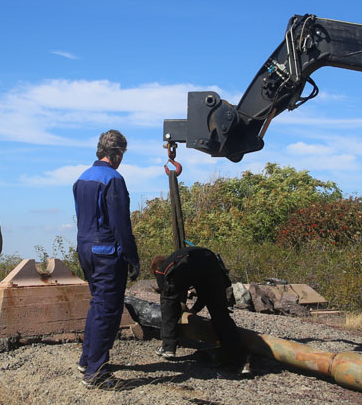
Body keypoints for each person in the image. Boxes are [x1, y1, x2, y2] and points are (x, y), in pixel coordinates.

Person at [73, 129, 140, 389]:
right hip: (107, 253)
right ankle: (96, 374)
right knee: (108, 310)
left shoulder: (82, 178)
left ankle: (87, 359)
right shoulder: (113, 180)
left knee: (97, 304)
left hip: (85, 249)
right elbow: (121, 225)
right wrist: (133, 258)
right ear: (118, 153)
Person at [151, 246, 249, 375]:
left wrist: (181, 311)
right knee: (219, 313)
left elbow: (169, 300)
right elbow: (205, 294)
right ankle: (237, 357)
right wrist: (193, 311)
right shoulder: (177, 258)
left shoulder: (162, 270)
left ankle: (168, 347)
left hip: (190, 263)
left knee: (167, 302)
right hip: (211, 261)